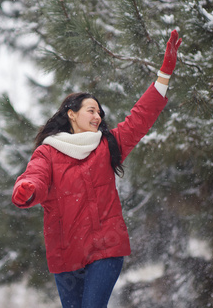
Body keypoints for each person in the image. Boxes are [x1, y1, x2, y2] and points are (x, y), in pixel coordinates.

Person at [12, 30, 182, 308]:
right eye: (90, 110)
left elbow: (140, 118)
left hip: (105, 249)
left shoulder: (107, 146)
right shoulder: (49, 151)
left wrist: (163, 75)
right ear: (71, 114)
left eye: (99, 112)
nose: (97, 115)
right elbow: (35, 177)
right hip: (66, 255)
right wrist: (27, 189)